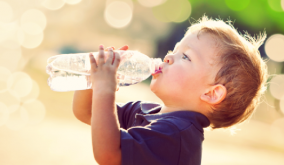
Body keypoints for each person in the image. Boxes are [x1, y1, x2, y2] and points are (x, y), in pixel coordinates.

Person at [72, 15, 268, 165]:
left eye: (186, 57)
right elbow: (87, 111)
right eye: (174, 50)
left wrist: (105, 90)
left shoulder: (176, 135)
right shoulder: (147, 111)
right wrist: (92, 78)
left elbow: (108, 154)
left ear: (211, 93)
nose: (168, 57)